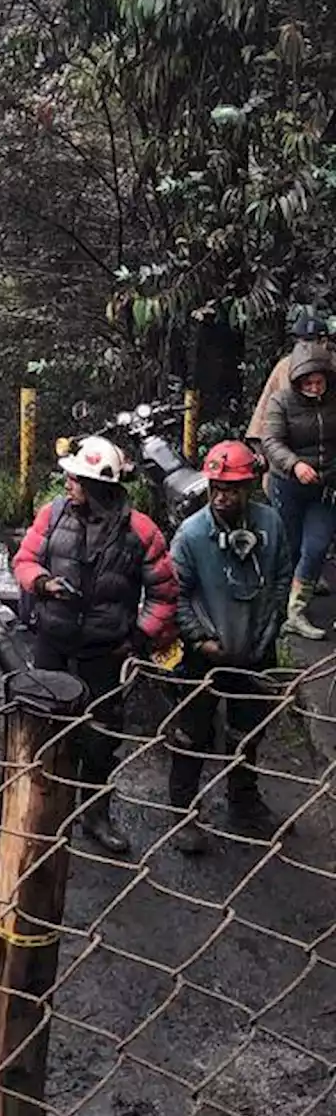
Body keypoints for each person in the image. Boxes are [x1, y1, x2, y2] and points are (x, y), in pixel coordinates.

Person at [13, 434, 178, 854]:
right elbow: (25, 561)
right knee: (43, 726)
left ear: (98, 486)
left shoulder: (140, 531)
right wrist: (43, 583)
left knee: (102, 736)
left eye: (75, 479)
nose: (67, 484)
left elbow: (163, 594)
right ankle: (41, 808)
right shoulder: (51, 516)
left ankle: (95, 813)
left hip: (107, 651)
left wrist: (139, 638)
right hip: (54, 643)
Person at [167, 442, 292, 851]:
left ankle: (244, 801)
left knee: (247, 729)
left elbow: (280, 579)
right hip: (203, 657)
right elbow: (177, 595)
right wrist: (200, 639)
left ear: (249, 487)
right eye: (217, 487)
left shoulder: (270, 525)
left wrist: (268, 629)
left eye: (233, 488)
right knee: (192, 733)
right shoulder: (191, 535)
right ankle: (183, 811)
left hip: (254, 652)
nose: (223, 496)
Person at [261, 341, 336, 640]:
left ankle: (297, 611)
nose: (315, 388)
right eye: (309, 383)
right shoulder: (281, 401)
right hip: (289, 484)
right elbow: (271, 441)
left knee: (316, 546)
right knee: (290, 545)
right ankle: (277, 605)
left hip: (325, 486)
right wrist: (294, 465)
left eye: (320, 382)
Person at [247, 303, 332, 444]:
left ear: (324, 342)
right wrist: (257, 442)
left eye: (313, 342)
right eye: (303, 342)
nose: (308, 348)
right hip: (293, 445)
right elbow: (265, 409)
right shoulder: (285, 366)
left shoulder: (333, 363)